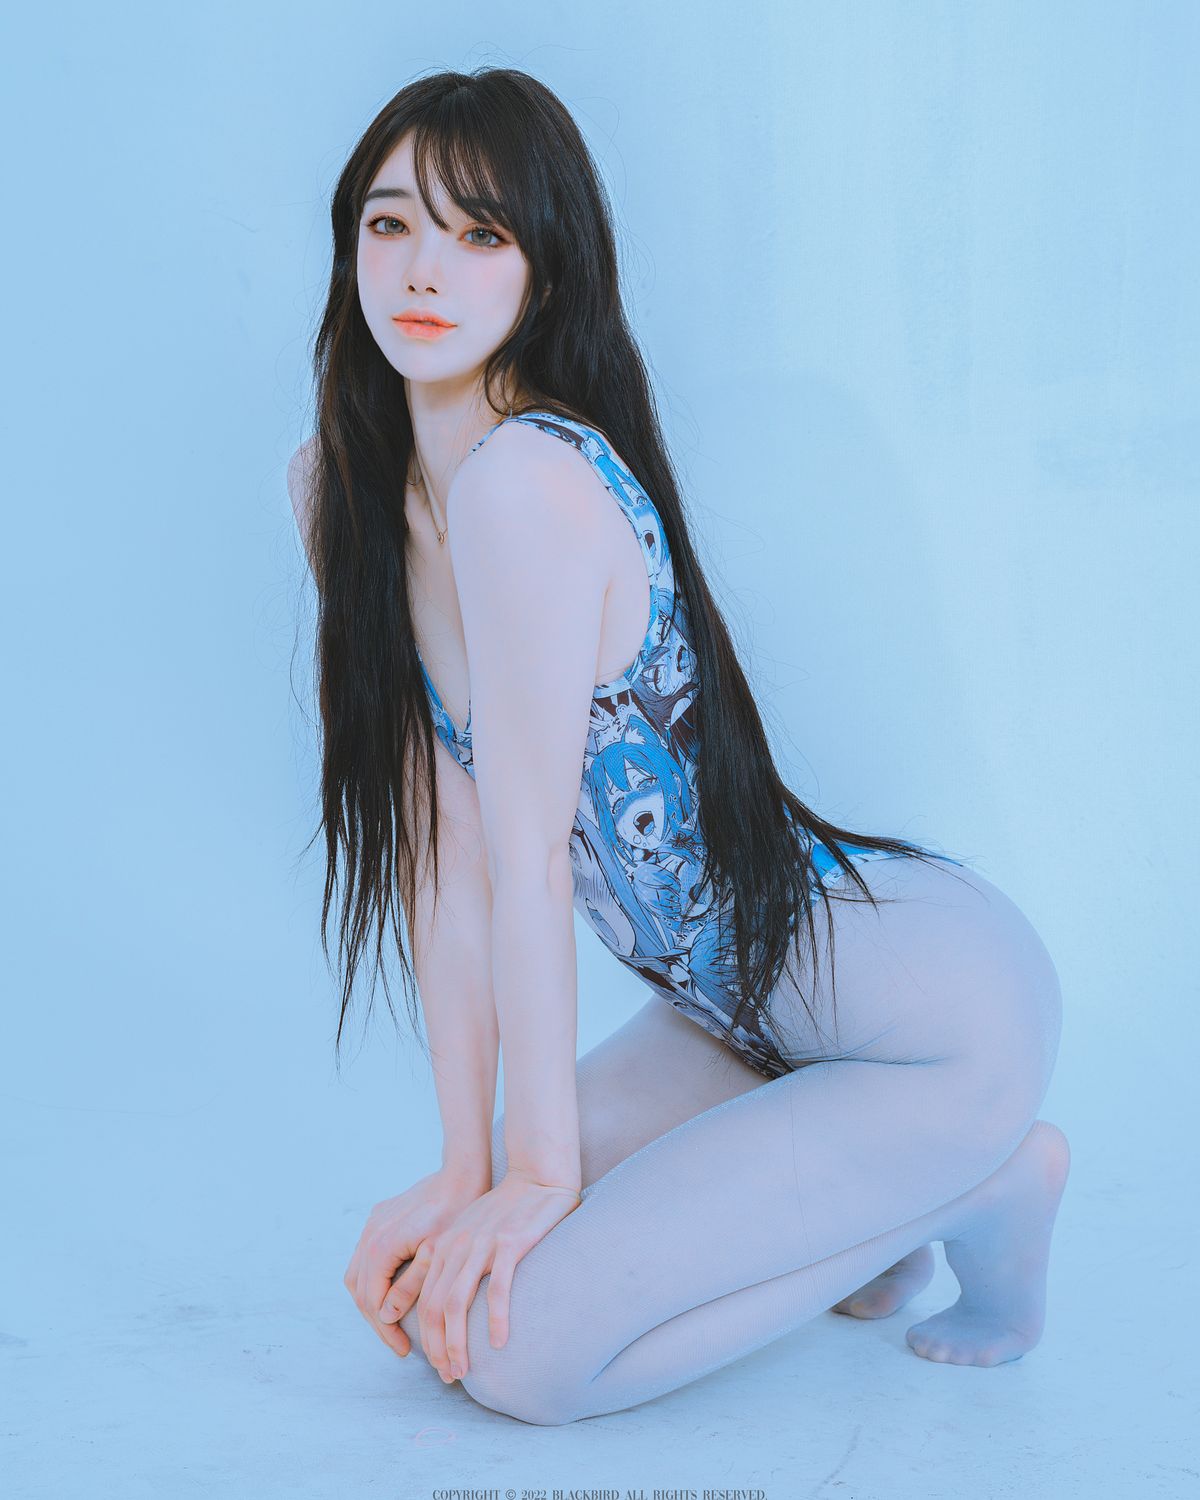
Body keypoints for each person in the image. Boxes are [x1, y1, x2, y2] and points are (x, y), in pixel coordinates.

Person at [287, 67, 1068, 1426]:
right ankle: (883, 1210)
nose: (423, 271)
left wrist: (537, 1179)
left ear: (546, 267)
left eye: (482, 233)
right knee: (440, 1302)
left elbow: (530, 865)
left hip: (934, 1020)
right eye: (392, 223)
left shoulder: (528, 483)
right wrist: (467, 1171)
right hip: (734, 1018)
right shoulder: (343, 492)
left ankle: (983, 1171)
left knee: (522, 1360)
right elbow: (445, 864)